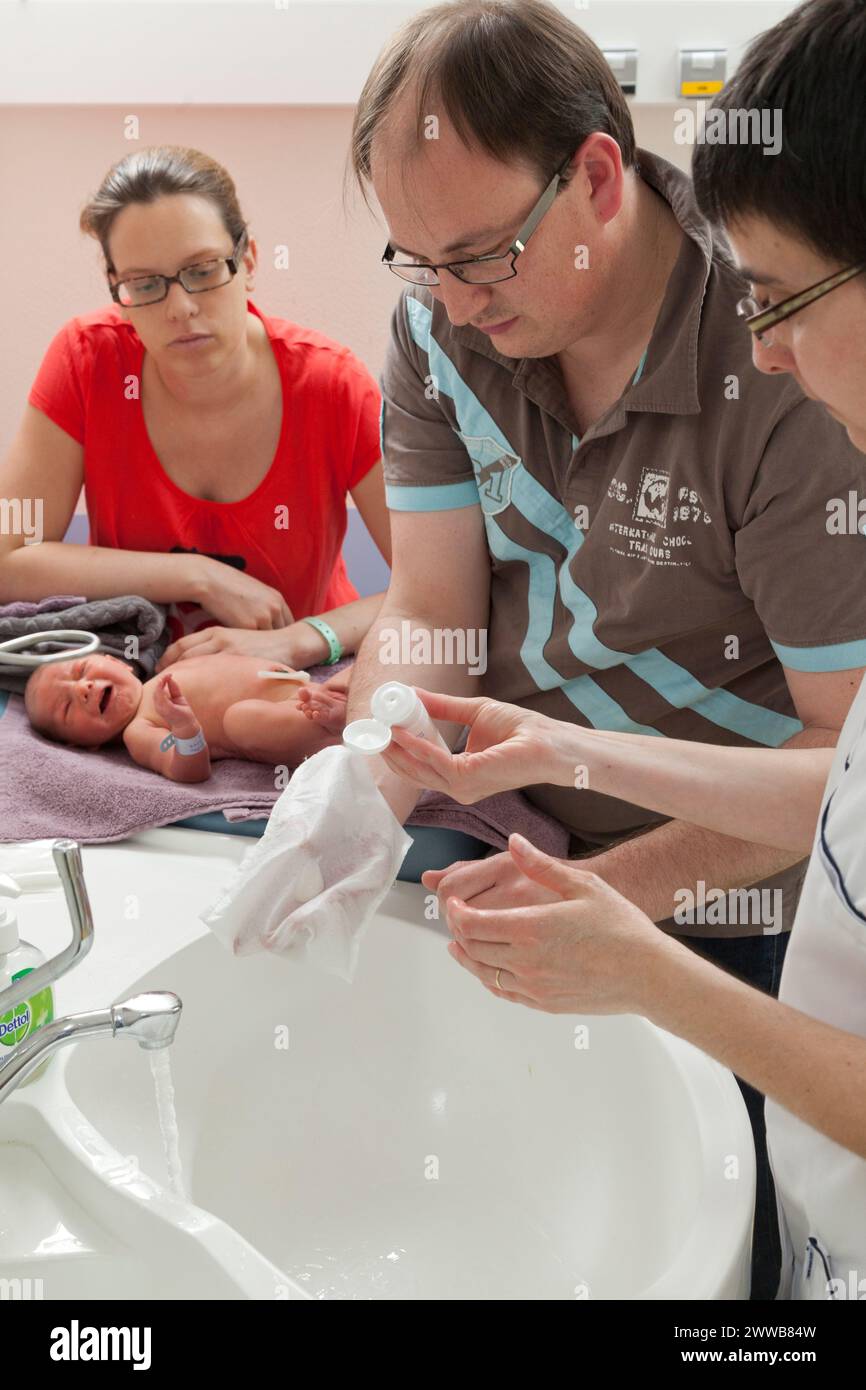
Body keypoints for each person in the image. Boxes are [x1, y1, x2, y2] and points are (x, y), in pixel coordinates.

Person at [340, 0, 866, 1298]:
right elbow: (428, 603)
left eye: (483, 256)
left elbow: (823, 764)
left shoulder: (785, 392)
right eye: (421, 266)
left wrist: (630, 932)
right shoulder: (445, 328)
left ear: (590, 174)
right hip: (535, 813)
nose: (453, 305)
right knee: (390, 1080)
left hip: (735, 905)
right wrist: (368, 759)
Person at [0, 146, 391, 672]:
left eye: (202, 271)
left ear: (248, 261)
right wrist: (197, 577)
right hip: (133, 676)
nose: (180, 307)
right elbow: (9, 560)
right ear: (118, 290)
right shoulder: (85, 359)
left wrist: (300, 639)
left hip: (302, 678)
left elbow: (436, 592)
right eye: (145, 284)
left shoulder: (333, 385)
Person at [24, 651, 351, 781]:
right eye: (66, 707)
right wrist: (184, 728)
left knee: (364, 665)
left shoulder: (170, 666)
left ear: (117, 661)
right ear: (83, 746)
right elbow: (187, 770)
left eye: (81, 669)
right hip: (286, 717)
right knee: (241, 719)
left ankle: (355, 701)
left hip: (309, 687)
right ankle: (342, 727)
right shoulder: (140, 729)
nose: (83, 687)